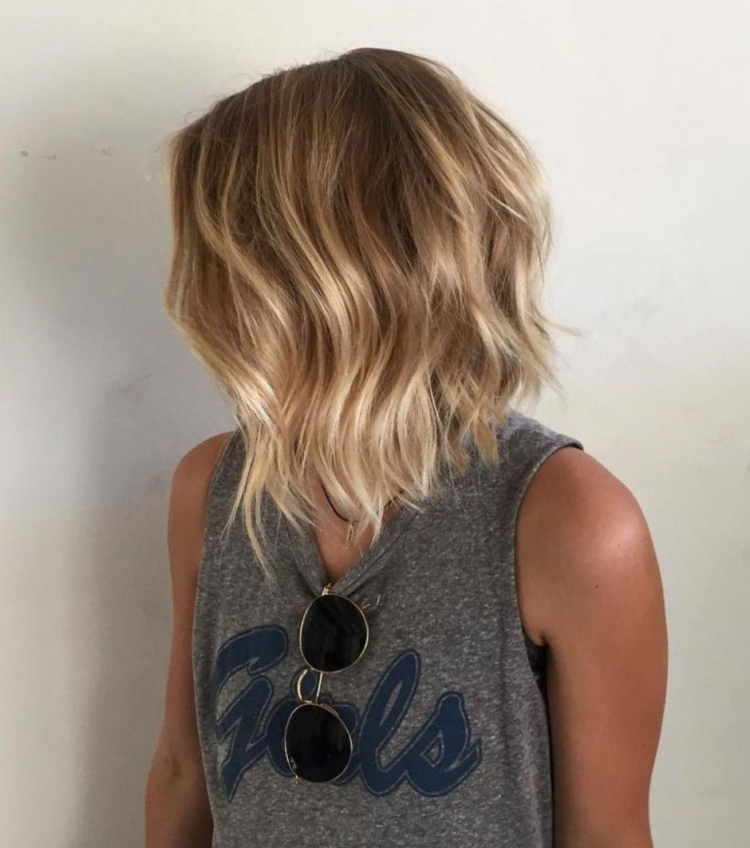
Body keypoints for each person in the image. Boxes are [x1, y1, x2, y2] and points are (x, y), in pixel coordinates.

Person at [144, 47, 667, 848]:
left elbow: (607, 833)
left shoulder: (571, 521)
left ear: (316, 275)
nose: (203, 289)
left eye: (226, 253)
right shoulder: (211, 488)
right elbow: (185, 770)